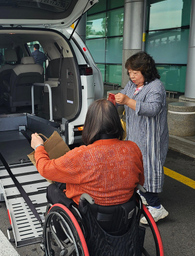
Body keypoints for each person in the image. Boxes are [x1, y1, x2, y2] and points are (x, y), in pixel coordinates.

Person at [30, 99, 144, 206]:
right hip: (125, 211)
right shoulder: (133, 148)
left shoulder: (82, 155)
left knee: (52, 190)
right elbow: (140, 181)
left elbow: (45, 169)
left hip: (90, 214)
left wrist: (39, 147)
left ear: (90, 125)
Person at [115, 52, 169, 224]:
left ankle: (156, 208)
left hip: (150, 139)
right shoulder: (132, 85)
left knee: (149, 169)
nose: (131, 76)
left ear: (146, 71)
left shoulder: (156, 87)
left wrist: (127, 101)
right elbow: (124, 97)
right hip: (135, 135)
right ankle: (143, 195)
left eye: (135, 73)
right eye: (129, 72)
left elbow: (152, 109)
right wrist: (115, 100)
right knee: (136, 167)